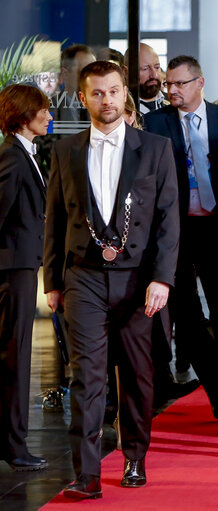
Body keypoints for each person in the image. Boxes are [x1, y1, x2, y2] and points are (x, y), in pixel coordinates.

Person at [43, 60, 180, 498]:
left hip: (139, 279)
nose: (107, 100)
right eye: (97, 93)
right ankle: (86, 474)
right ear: (82, 99)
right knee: (87, 375)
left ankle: (135, 457)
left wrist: (163, 278)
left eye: (114, 91)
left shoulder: (155, 148)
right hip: (82, 276)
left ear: (126, 94)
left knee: (139, 373)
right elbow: (55, 220)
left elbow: (168, 220)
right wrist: (52, 281)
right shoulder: (64, 151)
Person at [143, 55, 218, 433]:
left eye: (179, 84)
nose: (172, 90)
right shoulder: (154, 124)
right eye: (169, 85)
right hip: (174, 233)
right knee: (185, 320)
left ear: (200, 82)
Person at [0, 84, 52, 472]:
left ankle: (13, 442)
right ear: (23, 115)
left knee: (16, 356)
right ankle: (13, 445)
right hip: (12, 270)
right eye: (43, 111)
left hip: (20, 267)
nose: (49, 116)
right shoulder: (13, 158)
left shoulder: (24, 154)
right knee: (14, 357)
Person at [126, 43, 168, 114]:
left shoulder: (174, 104)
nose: (154, 75)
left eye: (157, 67)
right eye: (145, 69)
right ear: (126, 72)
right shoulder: (120, 108)